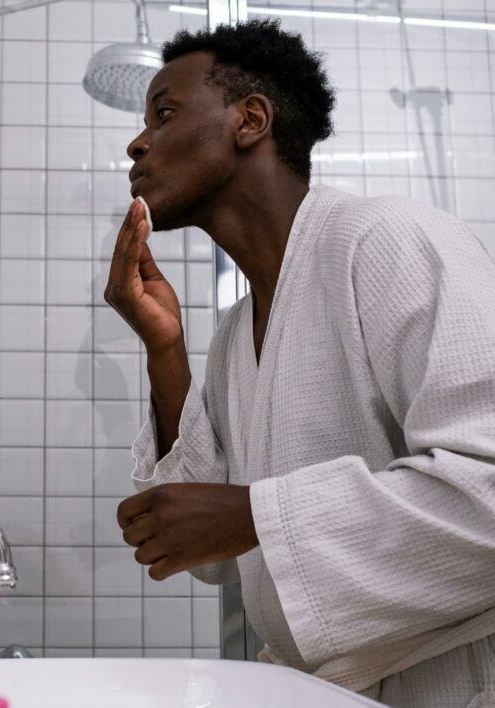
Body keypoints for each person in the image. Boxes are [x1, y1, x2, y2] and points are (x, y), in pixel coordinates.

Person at [104, 18, 495, 707]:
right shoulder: (238, 331)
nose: (137, 143)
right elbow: (212, 551)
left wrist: (259, 516)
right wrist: (164, 348)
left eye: (163, 114)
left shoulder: (386, 240)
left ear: (250, 120)